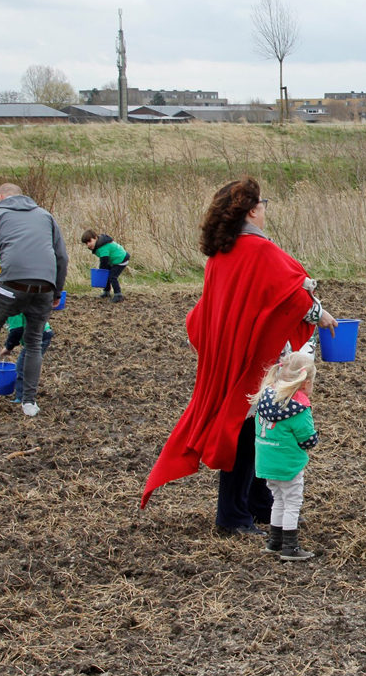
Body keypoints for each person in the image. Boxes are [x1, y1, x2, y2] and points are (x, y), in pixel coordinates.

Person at [141, 178, 337, 538]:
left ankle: (260, 506)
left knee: (256, 426)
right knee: (245, 430)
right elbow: (292, 295)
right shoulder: (258, 250)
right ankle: (231, 516)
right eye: (264, 203)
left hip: (235, 353)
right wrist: (320, 314)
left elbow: (212, 308)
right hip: (252, 359)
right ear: (252, 210)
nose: (266, 210)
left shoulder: (222, 253)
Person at [0, 183, 68, 417]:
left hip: (12, 284)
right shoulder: (45, 216)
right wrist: (57, 292)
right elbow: (61, 256)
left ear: (0, 197)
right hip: (44, 288)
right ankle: (29, 403)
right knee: (33, 342)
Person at [252, 351, 319, 561]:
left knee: (278, 500)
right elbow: (307, 439)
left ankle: (274, 542)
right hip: (288, 464)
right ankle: (290, 546)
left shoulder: (265, 396)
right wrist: (313, 440)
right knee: (292, 503)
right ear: (306, 382)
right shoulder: (299, 408)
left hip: (266, 462)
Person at [0, 283, 54, 405]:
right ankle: (23, 396)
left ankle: (23, 398)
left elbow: (17, 331)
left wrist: (8, 347)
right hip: (38, 335)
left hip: (41, 336)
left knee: (22, 367)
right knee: (23, 365)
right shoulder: (12, 303)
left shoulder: (12, 309)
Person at [82, 230, 130, 303]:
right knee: (106, 274)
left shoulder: (103, 247)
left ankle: (118, 295)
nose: (88, 244)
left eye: (89, 241)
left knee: (112, 276)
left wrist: (100, 273)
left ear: (95, 238)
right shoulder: (99, 244)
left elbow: (104, 261)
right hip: (114, 260)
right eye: (86, 243)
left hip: (121, 259)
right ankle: (106, 292)